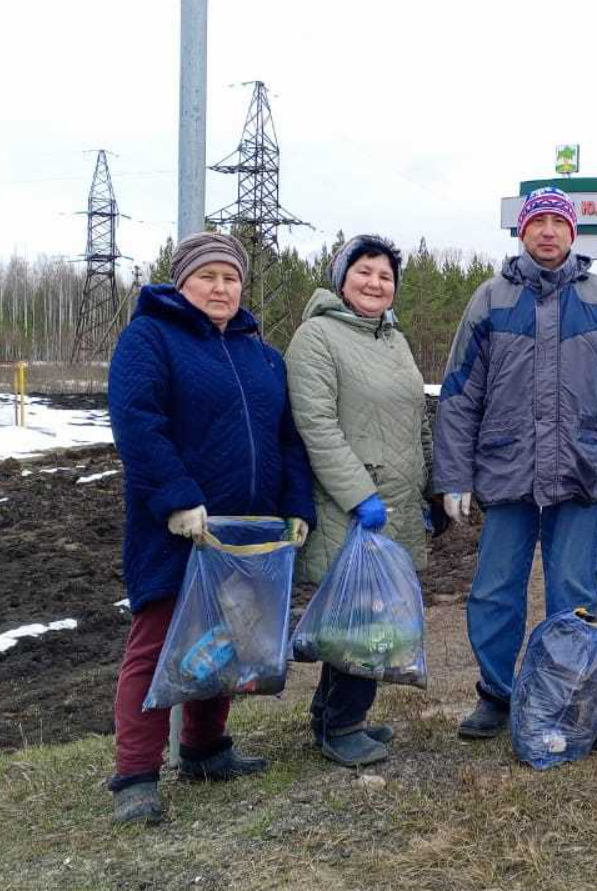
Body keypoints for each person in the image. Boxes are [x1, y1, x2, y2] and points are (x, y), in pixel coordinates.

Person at [105, 231, 316, 825]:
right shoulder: (150, 338)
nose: (221, 288)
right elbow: (137, 423)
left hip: (247, 530)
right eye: (208, 277)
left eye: (231, 278)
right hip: (179, 527)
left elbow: (287, 438)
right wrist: (175, 498)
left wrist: (297, 506)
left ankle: (203, 748)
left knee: (226, 637)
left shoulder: (261, 354)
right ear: (182, 281)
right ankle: (136, 774)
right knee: (159, 642)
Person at [434, 186, 597, 748]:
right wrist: (453, 476)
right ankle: (497, 696)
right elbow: (458, 394)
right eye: (538, 222)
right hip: (506, 472)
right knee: (495, 590)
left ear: (574, 233)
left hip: (579, 471)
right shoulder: (490, 300)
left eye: (559, 222)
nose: (548, 231)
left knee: (574, 596)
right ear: (521, 231)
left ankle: (570, 702)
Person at [285, 235, 429, 769]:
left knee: (368, 609)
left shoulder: (395, 340)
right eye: (364, 271)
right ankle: (343, 725)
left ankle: (332, 716)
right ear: (341, 279)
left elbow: (414, 419)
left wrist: (426, 488)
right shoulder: (316, 338)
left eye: (385, 276)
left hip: (398, 498)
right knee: (361, 615)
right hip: (349, 504)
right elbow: (316, 427)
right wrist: (360, 495)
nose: (375, 283)